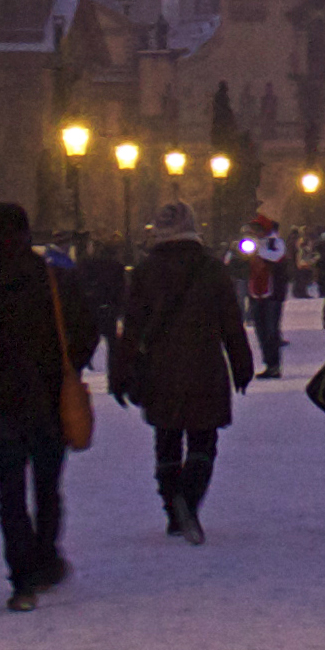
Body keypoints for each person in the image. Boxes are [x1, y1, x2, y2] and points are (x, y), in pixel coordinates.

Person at [0, 202, 99, 612]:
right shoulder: (52, 279)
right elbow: (86, 329)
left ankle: (21, 579)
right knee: (48, 488)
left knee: (10, 494)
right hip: (49, 398)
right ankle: (46, 557)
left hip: (3, 402)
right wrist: (68, 365)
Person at [110, 199, 256, 542]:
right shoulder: (211, 269)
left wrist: (120, 371)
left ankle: (172, 508)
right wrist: (242, 364)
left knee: (167, 438)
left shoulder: (146, 271)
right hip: (205, 365)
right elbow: (231, 324)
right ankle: (188, 499)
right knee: (204, 438)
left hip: (161, 368)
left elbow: (131, 327)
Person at [238, 209, 290, 373]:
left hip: (272, 294)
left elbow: (276, 257)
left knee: (271, 331)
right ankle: (269, 363)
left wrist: (257, 250)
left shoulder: (275, 243)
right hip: (256, 293)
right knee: (260, 331)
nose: (256, 232)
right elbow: (237, 266)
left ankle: (274, 365)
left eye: (258, 229)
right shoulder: (251, 244)